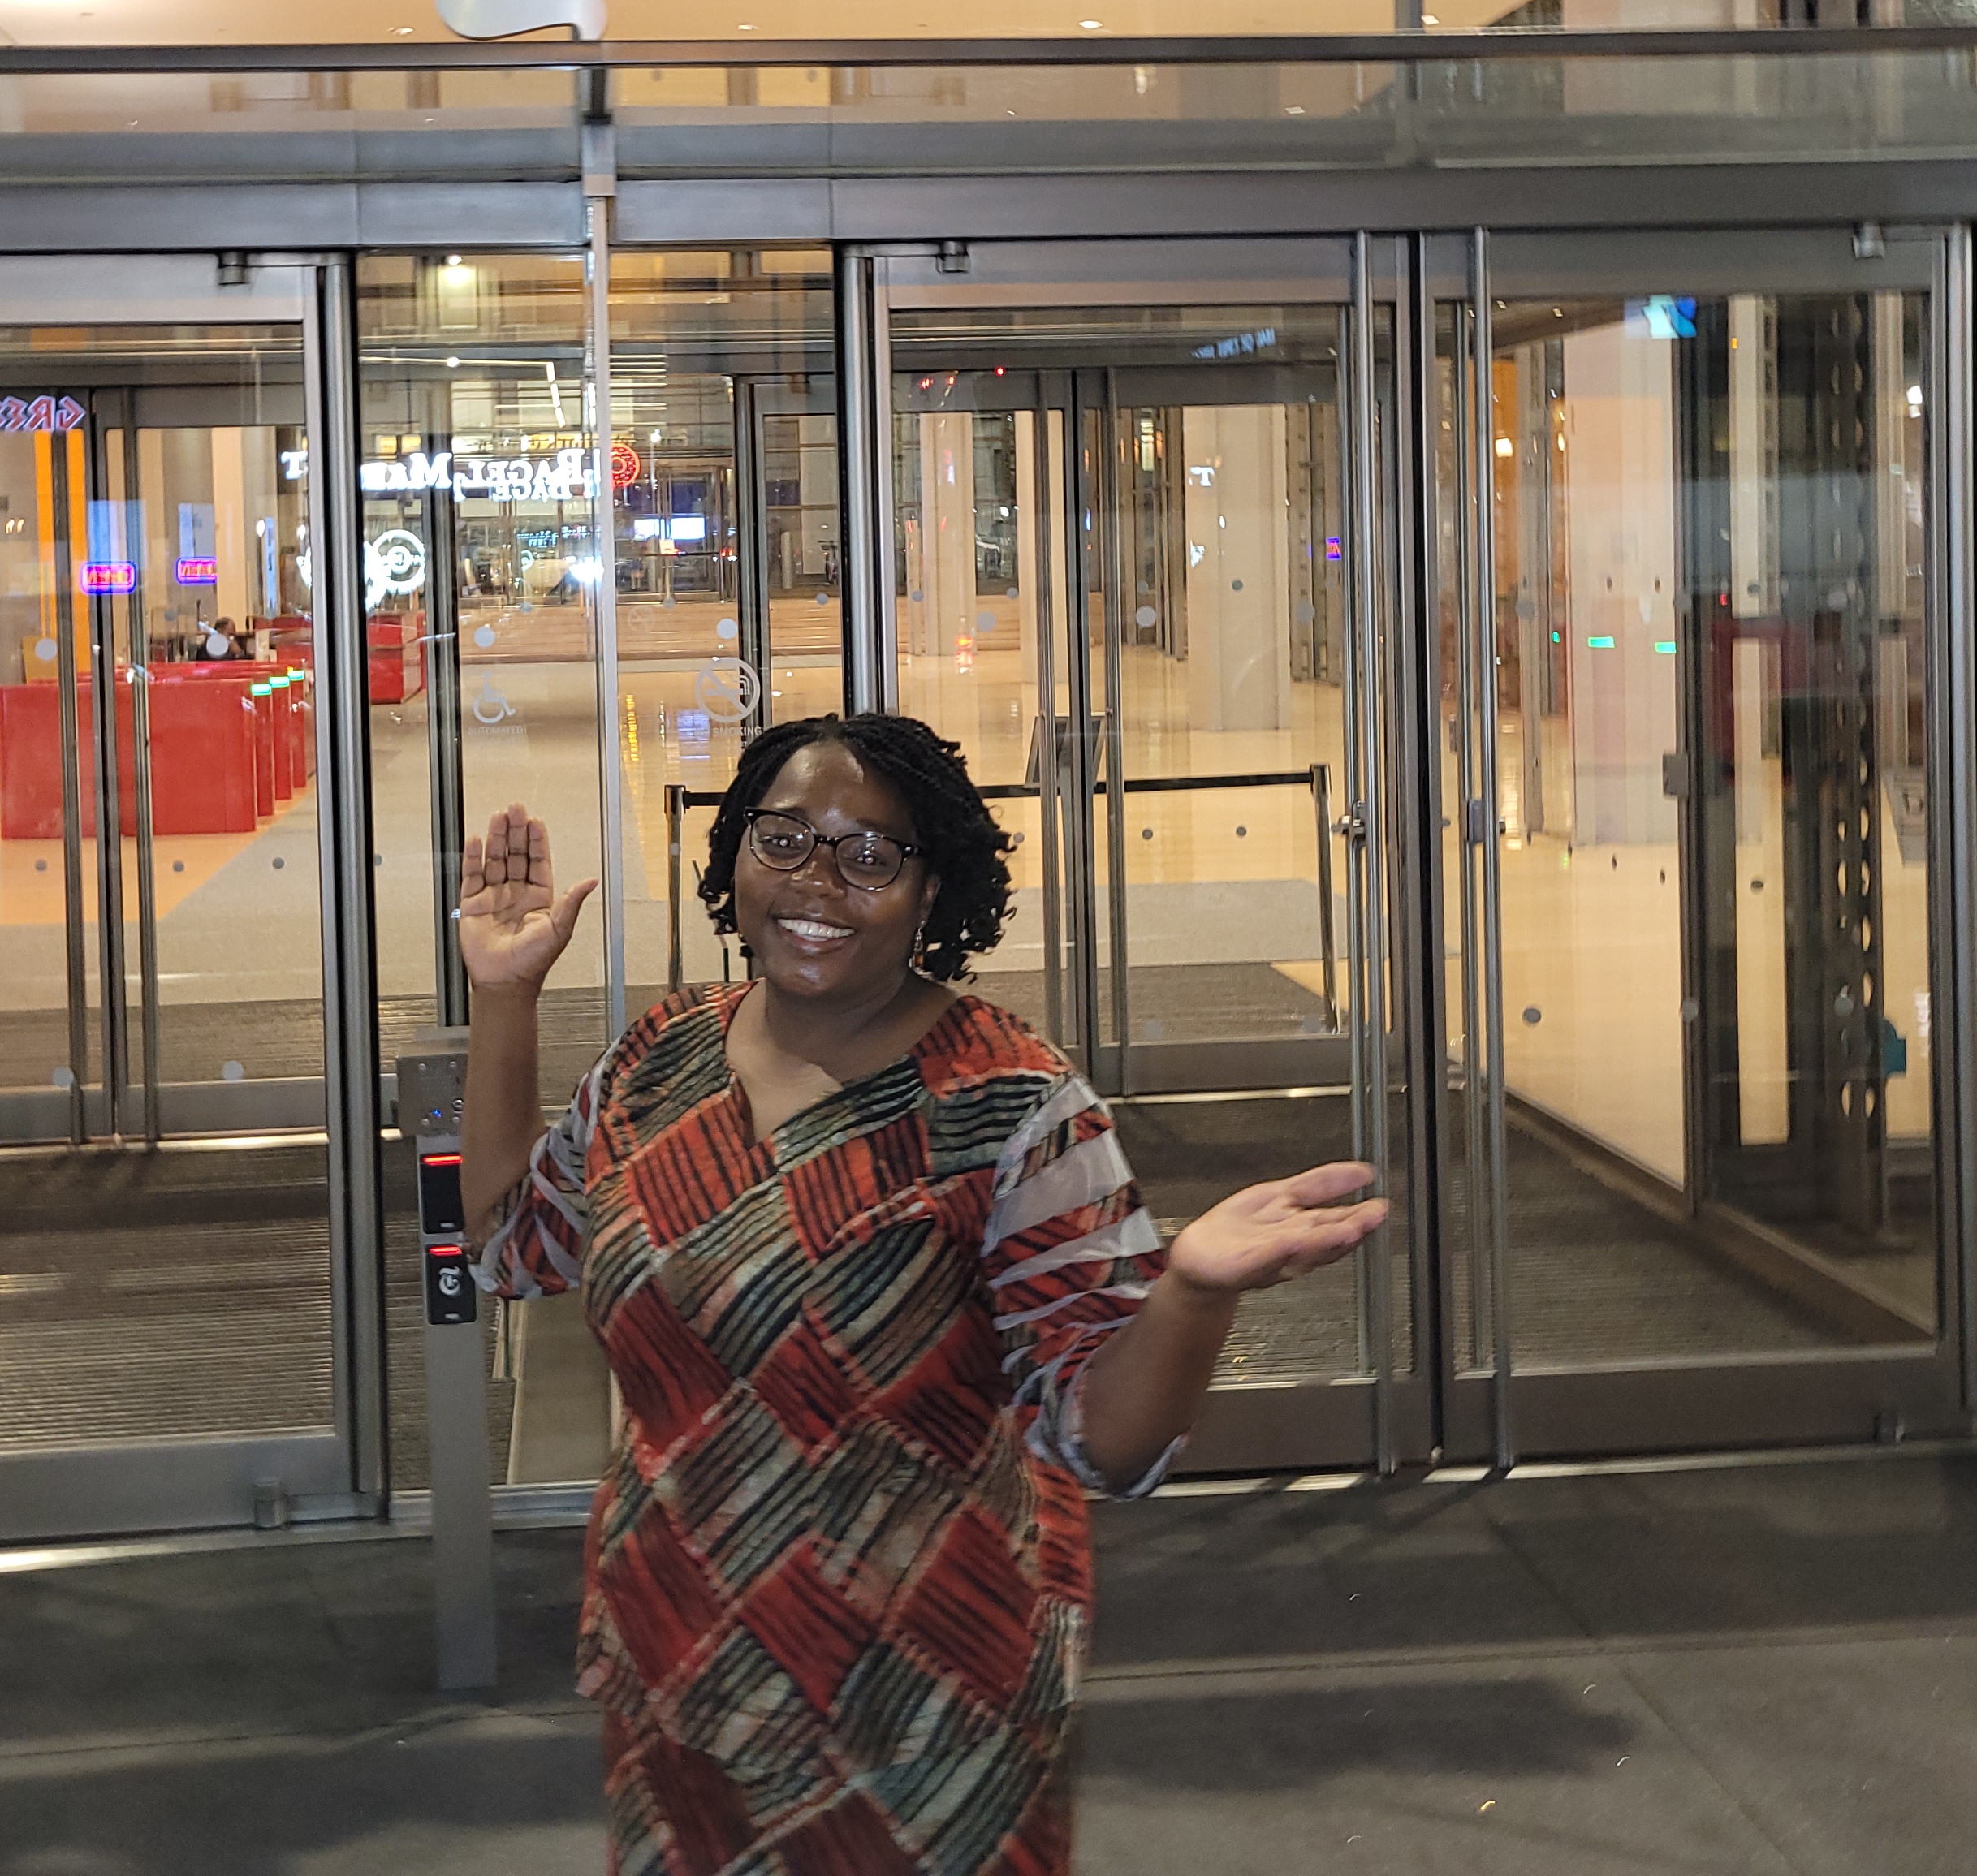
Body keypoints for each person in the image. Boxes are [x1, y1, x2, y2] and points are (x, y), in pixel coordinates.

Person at [459, 712, 1386, 1876]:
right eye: (785, 839)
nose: (819, 883)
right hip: (683, 1674)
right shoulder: (660, 1060)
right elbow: (510, 1248)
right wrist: (506, 1000)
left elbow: (1105, 1444)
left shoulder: (1010, 1102)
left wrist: (1190, 1296)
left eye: (870, 854)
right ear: (732, 854)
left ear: (930, 887)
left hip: (923, 1721)